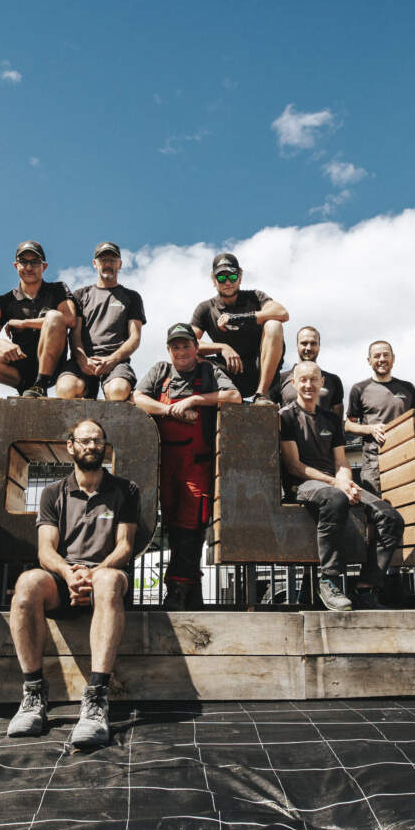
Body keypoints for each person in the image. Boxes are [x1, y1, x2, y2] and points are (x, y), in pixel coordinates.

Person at [6, 418, 141, 747]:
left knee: (108, 582)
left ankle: (96, 699)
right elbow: (45, 550)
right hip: (64, 578)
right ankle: (33, 695)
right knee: (26, 585)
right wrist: (69, 575)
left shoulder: (126, 490)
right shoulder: (53, 493)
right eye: (84, 441)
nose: (91, 446)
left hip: (106, 575)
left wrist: (92, 576)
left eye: (97, 441)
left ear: (104, 447)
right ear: (71, 447)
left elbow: (124, 546)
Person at [279, 360, 404, 611]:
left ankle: (366, 588)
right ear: (293, 383)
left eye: (314, 379)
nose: (308, 384)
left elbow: (341, 460)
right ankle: (329, 579)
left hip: (335, 481)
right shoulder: (286, 416)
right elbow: (294, 466)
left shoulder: (331, 420)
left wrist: (346, 481)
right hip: (303, 484)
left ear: (322, 383)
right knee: (335, 499)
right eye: (302, 379)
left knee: (391, 517)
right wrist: (338, 484)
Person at [133, 324, 241, 608]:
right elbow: (138, 398)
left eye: (186, 346)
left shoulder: (209, 371)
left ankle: (177, 592)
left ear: (196, 348)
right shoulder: (159, 371)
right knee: (171, 527)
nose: (181, 351)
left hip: (196, 465)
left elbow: (233, 396)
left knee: (190, 528)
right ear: (169, 350)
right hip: (164, 463)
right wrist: (170, 410)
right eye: (175, 347)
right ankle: (190, 595)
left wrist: (195, 399)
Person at [0, 241, 77, 397]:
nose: (29, 268)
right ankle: (26, 388)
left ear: (44, 266)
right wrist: (0, 343)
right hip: (21, 364)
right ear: (16, 265)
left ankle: (40, 384)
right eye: (24, 262)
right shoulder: (6, 300)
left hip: (54, 364)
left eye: (35, 262)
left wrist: (24, 323)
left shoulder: (57, 290)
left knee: (55, 316)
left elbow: (70, 319)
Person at [189, 252, 288, 406]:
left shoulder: (255, 297)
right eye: (221, 278)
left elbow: (282, 313)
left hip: (260, 369)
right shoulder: (205, 308)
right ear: (214, 281)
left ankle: (261, 395)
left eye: (232, 277)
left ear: (240, 277)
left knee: (274, 325)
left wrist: (241, 317)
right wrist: (222, 347)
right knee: (187, 354)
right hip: (227, 374)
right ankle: (207, 400)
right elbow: (189, 342)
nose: (227, 282)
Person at [56, 242, 146, 401]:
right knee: (65, 389)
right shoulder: (80, 295)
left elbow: (135, 337)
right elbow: (74, 335)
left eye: (112, 260)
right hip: (84, 360)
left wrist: (113, 359)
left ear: (120, 264)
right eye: (103, 260)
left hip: (116, 361)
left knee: (118, 391)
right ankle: (87, 394)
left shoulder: (132, 297)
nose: (108, 264)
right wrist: (82, 359)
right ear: (95, 264)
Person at [344, 340, 415, 497]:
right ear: (369, 360)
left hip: (406, 458)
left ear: (393, 358)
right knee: (377, 511)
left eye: (386, 355)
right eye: (376, 356)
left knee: (408, 504)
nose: (381, 359)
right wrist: (370, 428)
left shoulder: (408, 387)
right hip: (374, 461)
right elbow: (348, 426)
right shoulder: (359, 389)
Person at [277, 326, 344, 415]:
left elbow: (337, 422)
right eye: (304, 343)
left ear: (319, 346)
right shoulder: (280, 379)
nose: (308, 348)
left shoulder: (333, 380)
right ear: (297, 346)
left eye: (313, 343)